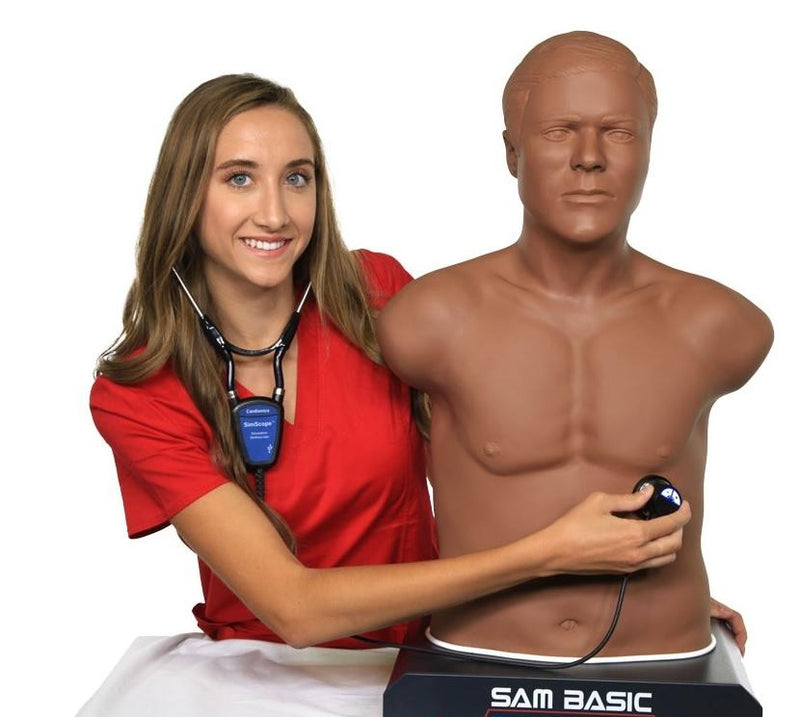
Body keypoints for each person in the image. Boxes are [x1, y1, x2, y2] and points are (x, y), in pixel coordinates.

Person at [91, 72, 742, 655]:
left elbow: (497, 463)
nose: (275, 213)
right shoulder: (138, 391)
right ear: (185, 195)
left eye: (297, 177)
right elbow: (294, 609)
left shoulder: (376, 296)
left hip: (433, 650)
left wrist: (637, 600)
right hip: (261, 670)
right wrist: (551, 555)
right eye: (239, 178)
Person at [377, 32, 769, 662]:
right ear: (512, 153)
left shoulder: (721, 325)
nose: (589, 158)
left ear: (649, 150)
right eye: (560, 131)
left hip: (662, 650)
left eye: (618, 132)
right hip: (479, 650)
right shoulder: (428, 320)